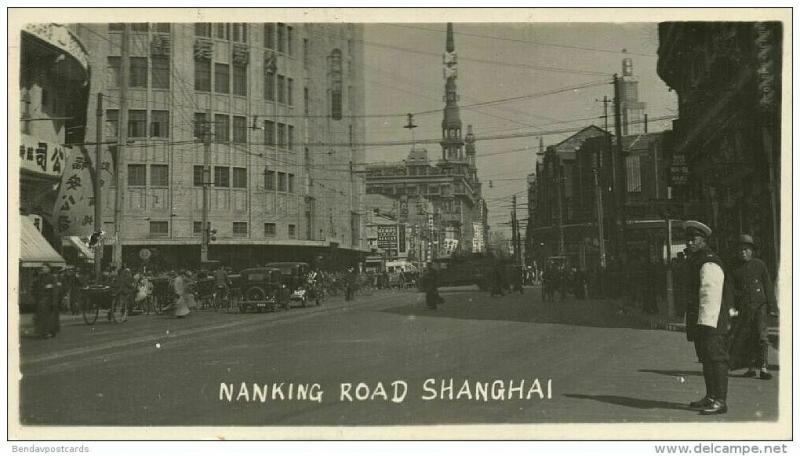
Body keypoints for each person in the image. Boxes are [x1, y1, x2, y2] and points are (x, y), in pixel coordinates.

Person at [683, 221, 733, 415]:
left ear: (703, 240)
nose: (689, 243)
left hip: (711, 320)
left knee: (716, 358)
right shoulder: (697, 259)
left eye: (694, 239)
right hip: (702, 320)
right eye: (687, 239)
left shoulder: (708, 261)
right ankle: (711, 396)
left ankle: (720, 400)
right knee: (706, 358)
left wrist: (705, 322)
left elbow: (709, 293)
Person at [728, 234, 777, 380]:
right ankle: (750, 368)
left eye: (746, 249)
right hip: (744, 307)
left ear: (752, 251)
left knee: (761, 336)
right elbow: (729, 289)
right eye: (741, 250)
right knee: (747, 337)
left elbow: (767, 286)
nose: (743, 252)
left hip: (760, 306)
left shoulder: (759, 265)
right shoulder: (734, 268)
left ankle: (763, 367)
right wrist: (731, 307)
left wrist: (773, 307)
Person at [33, 264, 60, 338]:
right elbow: (36, 287)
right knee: (41, 317)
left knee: (49, 318)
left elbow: (55, 290)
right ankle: (42, 332)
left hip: (49, 300)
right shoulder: (39, 277)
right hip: (41, 299)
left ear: (49, 269)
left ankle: (49, 332)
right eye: (42, 268)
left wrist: (54, 302)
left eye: (45, 268)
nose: (43, 269)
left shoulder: (52, 277)